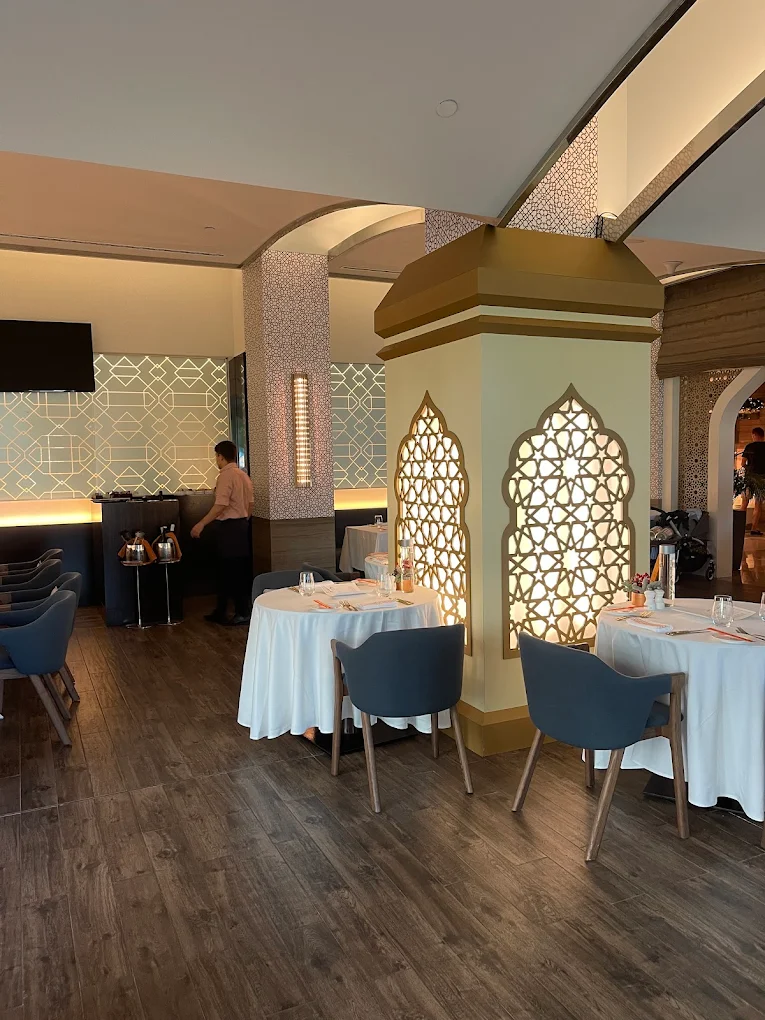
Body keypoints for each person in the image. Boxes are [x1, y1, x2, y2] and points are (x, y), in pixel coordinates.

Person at [191, 440, 253, 625]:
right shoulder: (243, 476)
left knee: (229, 571)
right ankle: (223, 610)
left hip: (229, 528)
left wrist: (201, 524)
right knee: (237, 570)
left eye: (216, 456)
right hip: (241, 526)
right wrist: (244, 520)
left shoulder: (226, 476)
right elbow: (250, 504)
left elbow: (221, 505)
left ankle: (241, 612)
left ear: (220, 456)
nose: (216, 460)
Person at [741, 426, 765, 536]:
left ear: (754, 435)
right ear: (762, 436)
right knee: (758, 504)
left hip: (750, 477)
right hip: (762, 479)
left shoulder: (749, 446)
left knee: (744, 502)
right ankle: (754, 529)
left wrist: (749, 469)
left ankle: (739, 527)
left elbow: (742, 463)